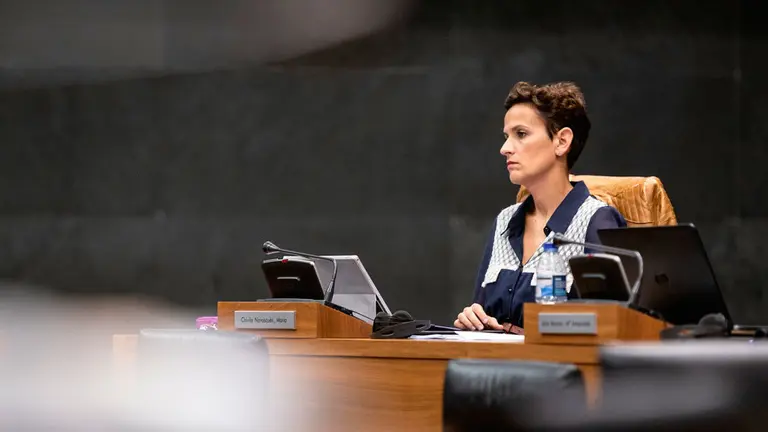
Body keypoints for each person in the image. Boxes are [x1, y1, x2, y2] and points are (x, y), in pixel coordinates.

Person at [454, 81, 627, 332]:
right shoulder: (504, 221)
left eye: (521, 134)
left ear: (562, 141)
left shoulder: (596, 221)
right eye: (506, 137)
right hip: (495, 366)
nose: (505, 148)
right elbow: (482, 311)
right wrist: (473, 319)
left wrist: (526, 333)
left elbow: (610, 327)